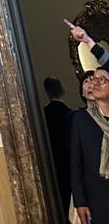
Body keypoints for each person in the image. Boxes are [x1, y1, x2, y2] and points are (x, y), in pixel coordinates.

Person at [73, 67, 109, 224]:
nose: (95, 82)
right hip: (99, 196)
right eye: (93, 78)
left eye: (102, 79)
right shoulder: (81, 119)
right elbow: (76, 163)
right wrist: (80, 201)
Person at [43, 75, 72, 215]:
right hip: (71, 166)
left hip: (52, 166)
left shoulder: (43, 115)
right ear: (62, 90)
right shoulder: (71, 115)